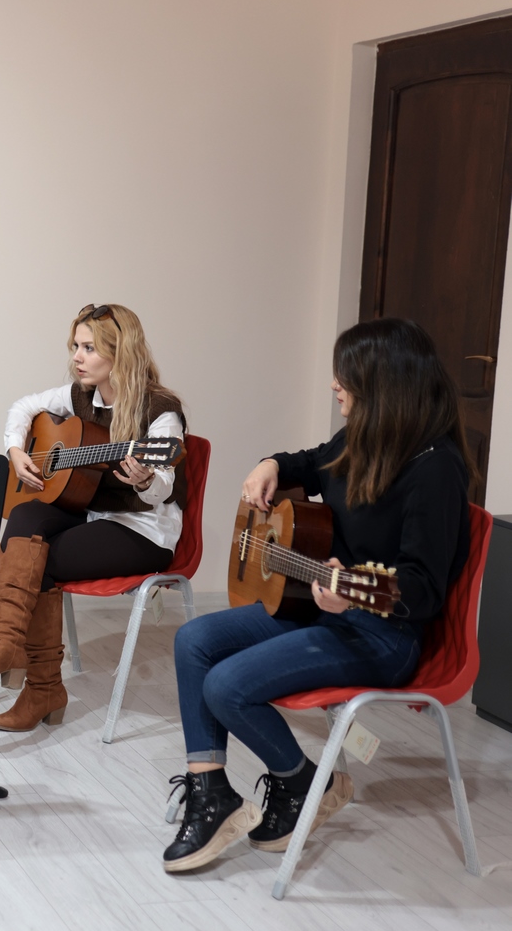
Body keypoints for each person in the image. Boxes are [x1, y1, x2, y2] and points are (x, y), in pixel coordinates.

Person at [162, 318, 471, 873]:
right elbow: (309, 462)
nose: (334, 385)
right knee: (194, 640)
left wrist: (352, 595)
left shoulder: (435, 469)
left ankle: (304, 782)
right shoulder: (362, 437)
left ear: (383, 383)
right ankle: (212, 793)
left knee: (226, 686)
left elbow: (423, 589)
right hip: (324, 613)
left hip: (384, 635)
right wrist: (271, 464)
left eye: (344, 375)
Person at [0, 303, 187, 732]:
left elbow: (163, 489)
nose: (77, 357)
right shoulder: (81, 395)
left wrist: (144, 480)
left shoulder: (160, 410)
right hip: (93, 514)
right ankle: (7, 645)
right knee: (25, 516)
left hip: (143, 529)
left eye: (88, 348)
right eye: (75, 347)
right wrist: (15, 450)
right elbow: (23, 406)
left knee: (39, 558)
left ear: (120, 352)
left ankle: (40, 686)